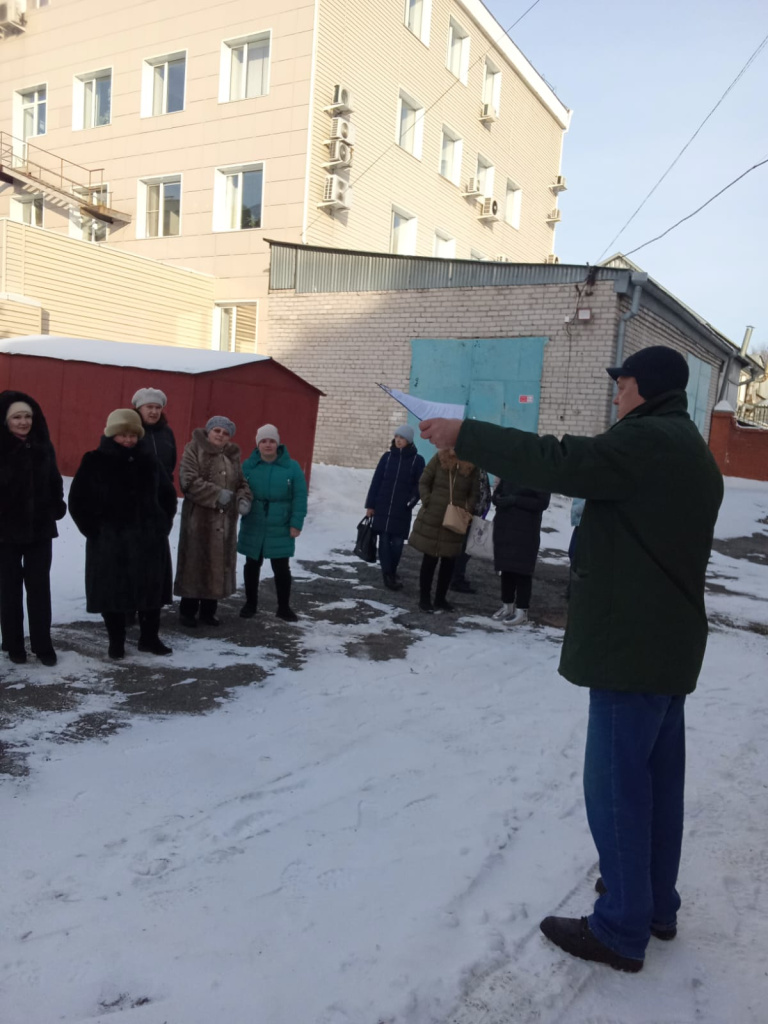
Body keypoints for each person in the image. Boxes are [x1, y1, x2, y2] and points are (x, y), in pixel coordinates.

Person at [419, 346, 724, 973]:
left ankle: (620, 929)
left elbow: (559, 459)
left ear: (645, 388)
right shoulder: (686, 446)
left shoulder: (646, 443)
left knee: (615, 787)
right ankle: (652, 904)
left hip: (630, 645)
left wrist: (466, 434)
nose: (616, 394)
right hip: (665, 644)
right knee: (657, 784)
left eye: (623, 383)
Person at [69, 409, 177, 659]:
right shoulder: (94, 460)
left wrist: (162, 524)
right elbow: (78, 500)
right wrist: (94, 530)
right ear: (111, 434)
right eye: (122, 435)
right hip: (110, 542)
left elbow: (167, 495)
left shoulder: (149, 460)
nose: (128, 440)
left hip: (149, 540)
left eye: (132, 435)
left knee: (151, 593)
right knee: (112, 593)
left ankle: (149, 639)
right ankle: (115, 642)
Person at [0, 391, 67, 666]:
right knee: (9, 589)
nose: (24, 421)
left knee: (39, 588)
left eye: (27, 416)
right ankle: (14, 644)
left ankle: (43, 645)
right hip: (5, 532)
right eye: (17, 417)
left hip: (40, 529)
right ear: (6, 421)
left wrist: (55, 505)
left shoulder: (42, 444)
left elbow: (53, 479)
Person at [174, 415, 251, 627]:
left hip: (225, 522)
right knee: (195, 562)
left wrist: (244, 498)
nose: (221, 435)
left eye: (225, 433)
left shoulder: (232, 456)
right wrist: (217, 494)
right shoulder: (194, 449)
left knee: (218, 564)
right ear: (209, 431)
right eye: (217, 430)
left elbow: (241, 482)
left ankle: (208, 611)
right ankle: (187, 611)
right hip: (198, 520)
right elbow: (187, 481)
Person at [237, 424, 308, 622]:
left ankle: (283, 607)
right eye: (263, 441)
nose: (268, 445)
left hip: (281, 522)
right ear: (257, 443)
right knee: (252, 563)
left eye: (271, 441)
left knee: (281, 566)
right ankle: (250, 603)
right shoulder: (248, 466)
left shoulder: (291, 467)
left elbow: (300, 496)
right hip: (254, 520)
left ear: (278, 443)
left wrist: (296, 522)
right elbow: (238, 488)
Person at [408, 448, 480, 613]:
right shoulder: (439, 458)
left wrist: (467, 509)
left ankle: (441, 599)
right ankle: (424, 598)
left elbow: (474, 492)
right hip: (434, 515)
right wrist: (428, 500)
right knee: (430, 559)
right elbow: (424, 481)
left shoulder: (472, 466)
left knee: (449, 561)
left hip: (455, 519)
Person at [364, 424, 425, 590]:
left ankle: (392, 570)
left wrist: (410, 502)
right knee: (383, 541)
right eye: (397, 437)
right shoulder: (387, 457)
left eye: (402, 438)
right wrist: (370, 505)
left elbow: (420, 485)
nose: (398, 440)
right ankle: (388, 575)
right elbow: (376, 482)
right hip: (383, 506)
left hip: (401, 509)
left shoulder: (416, 461)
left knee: (397, 543)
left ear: (409, 441)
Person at [491, 479, 550, 625]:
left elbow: (542, 503)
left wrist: (515, 500)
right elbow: (499, 491)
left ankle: (522, 610)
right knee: (506, 567)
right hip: (505, 526)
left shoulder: (540, 475)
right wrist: (497, 498)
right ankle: (507, 605)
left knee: (522, 570)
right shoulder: (511, 470)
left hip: (526, 530)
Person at [450, 468, 491, 594]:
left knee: (467, 548)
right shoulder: (469, 469)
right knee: (464, 548)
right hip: (467, 514)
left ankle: (456, 576)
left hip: (475, 514)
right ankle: (455, 579)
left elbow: (484, 490)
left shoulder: (480, 469)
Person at [131, 387, 177, 482]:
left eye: (158, 407)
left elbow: (172, 463)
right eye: (150, 407)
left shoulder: (167, 432)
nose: (154, 412)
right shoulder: (130, 431)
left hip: (162, 491)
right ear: (139, 408)